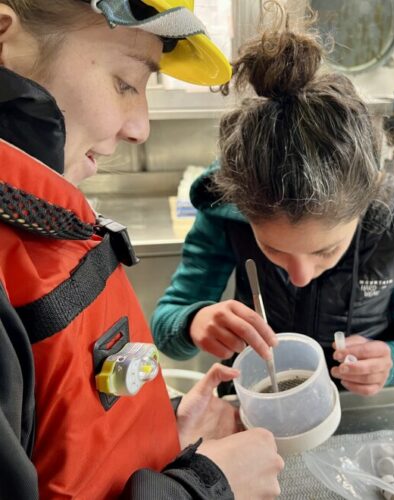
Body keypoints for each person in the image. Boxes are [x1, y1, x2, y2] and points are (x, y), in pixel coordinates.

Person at [0, 1, 284, 498]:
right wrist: (204, 488)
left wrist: (159, 432)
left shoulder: (37, 219)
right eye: (125, 82)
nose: (139, 126)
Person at [152, 6, 394, 398]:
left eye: (326, 251)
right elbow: (167, 325)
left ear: (366, 203)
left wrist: (392, 362)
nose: (301, 276)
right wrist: (194, 321)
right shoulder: (225, 206)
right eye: (272, 249)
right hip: (256, 400)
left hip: (351, 407)